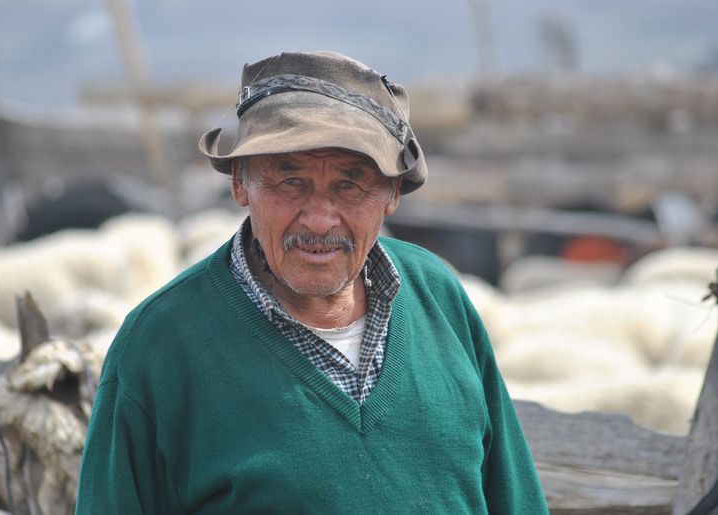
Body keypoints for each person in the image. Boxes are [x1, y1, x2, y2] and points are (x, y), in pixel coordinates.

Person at [75, 50, 548, 514]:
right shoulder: (160, 348)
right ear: (240, 183)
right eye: (290, 182)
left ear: (391, 194)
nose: (320, 220)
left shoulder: (439, 298)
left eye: (350, 184)